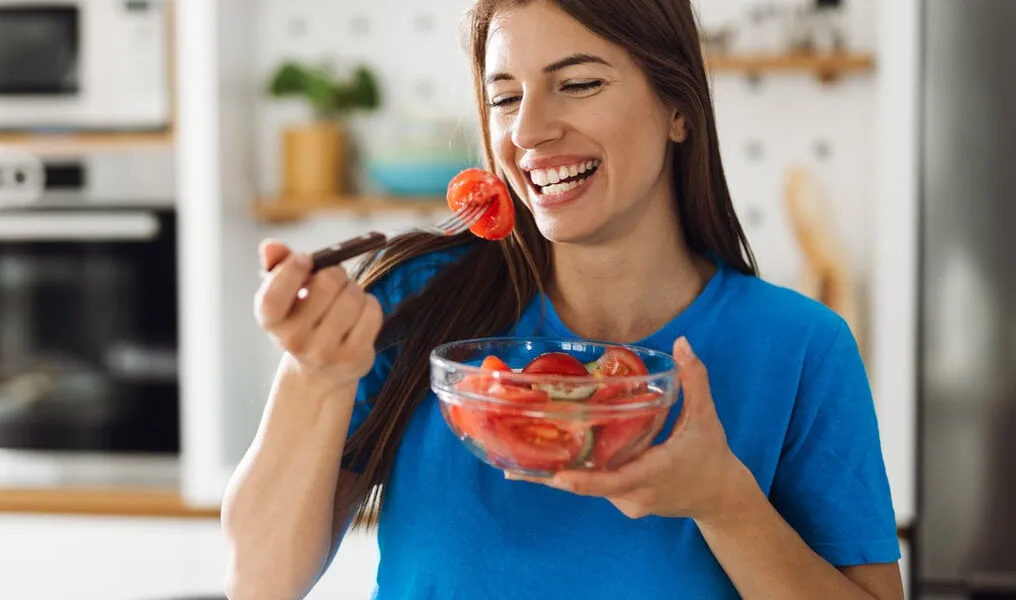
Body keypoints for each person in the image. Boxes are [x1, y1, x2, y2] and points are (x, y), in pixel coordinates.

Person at [221, 0, 904, 598]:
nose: (528, 132)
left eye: (577, 83)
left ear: (679, 109)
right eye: (504, 97)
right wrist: (313, 376)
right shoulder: (410, 304)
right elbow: (257, 584)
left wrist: (725, 503)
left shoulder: (801, 347)